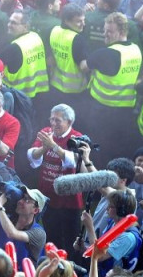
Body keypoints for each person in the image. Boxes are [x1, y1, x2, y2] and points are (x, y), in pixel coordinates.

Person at [81, 12, 143, 160]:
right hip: (126, 111)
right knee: (117, 149)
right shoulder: (135, 50)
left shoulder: (106, 53)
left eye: (109, 31)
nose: (105, 34)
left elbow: (83, 67)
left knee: (98, 149)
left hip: (103, 111)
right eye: (105, 30)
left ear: (121, 32)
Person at [27, 104, 83, 253]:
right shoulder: (46, 132)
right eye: (52, 119)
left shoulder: (77, 137)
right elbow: (32, 156)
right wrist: (44, 148)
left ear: (69, 122)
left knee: (72, 242)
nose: (53, 123)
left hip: (69, 201)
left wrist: (53, 146)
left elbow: (73, 161)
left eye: (58, 120)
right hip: (48, 198)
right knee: (52, 239)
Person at [0, 185, 48, 262]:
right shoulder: (8, 221)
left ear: (35, 210)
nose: (20, 201)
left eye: (26, 200)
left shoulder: (39, 233)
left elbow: (12, 233)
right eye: (22, 198)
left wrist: (0, 206)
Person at [82, 190, 143, 276]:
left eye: (111, 206)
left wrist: (90, 227)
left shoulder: (128, 237)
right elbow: (99, 248)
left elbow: (99, 256)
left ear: (121, 210)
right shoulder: (113, 223)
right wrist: (83, 247)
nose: (107, 208)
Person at [0, 9, 50, 99]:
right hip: (37, 92)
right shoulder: (36, 37)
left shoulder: (15, 47)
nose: (9, 25)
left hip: (16, 96)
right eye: (9, 21)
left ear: (25, 26)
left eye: (13, 23)